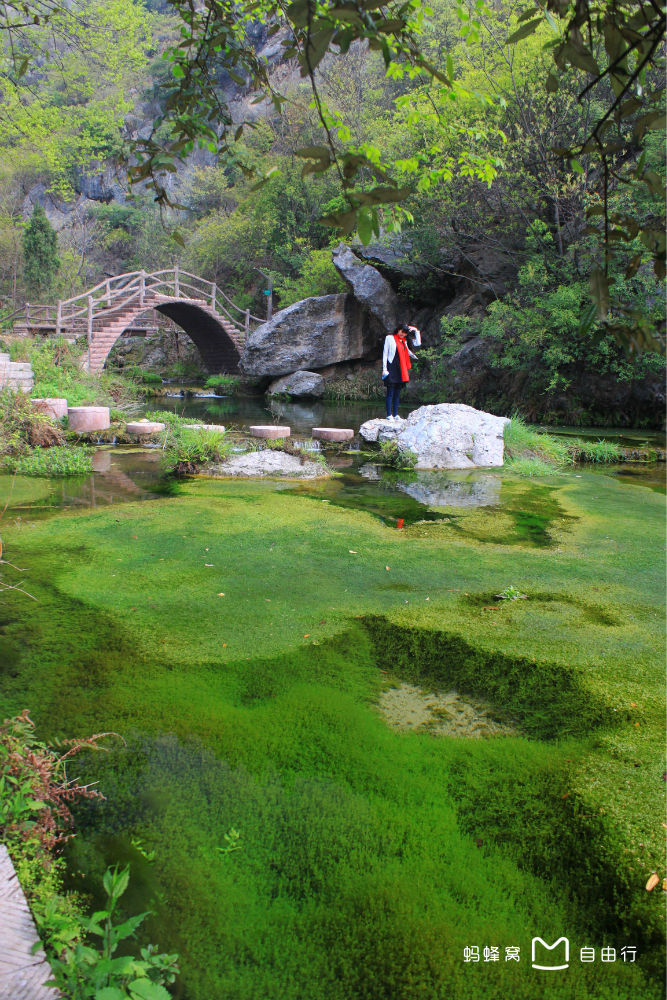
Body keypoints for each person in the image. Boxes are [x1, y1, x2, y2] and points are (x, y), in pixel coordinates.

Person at [381, 323, 421, 421]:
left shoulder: (404, 341)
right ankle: (389, 415)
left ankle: (395, 415)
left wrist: (416, 331)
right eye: (402, 332)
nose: (403, 334)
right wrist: (384, 368)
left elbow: (418, 344)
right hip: (391, 367)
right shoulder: (390, 338)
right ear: (398, 329)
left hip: (401, 369)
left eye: (405, 333)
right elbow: (385, 353)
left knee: (397, 393)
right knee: (390, 392)